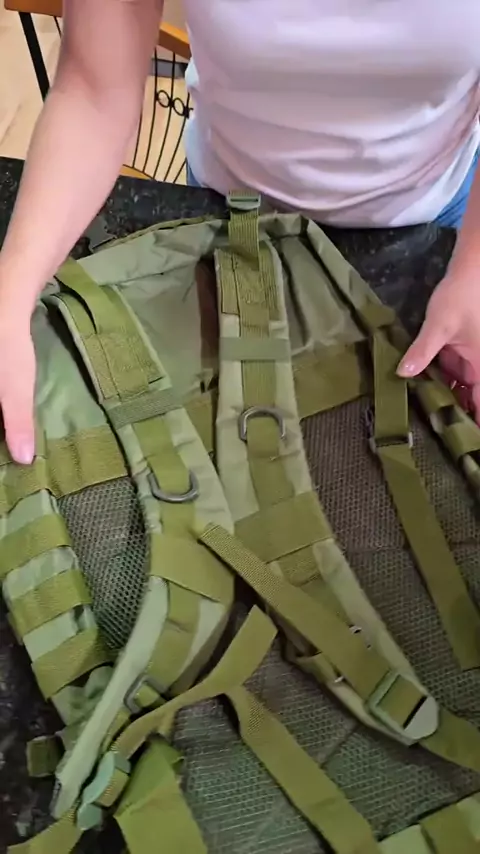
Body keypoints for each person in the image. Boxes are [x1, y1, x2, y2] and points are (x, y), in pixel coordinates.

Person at [0, 0, 479, 465]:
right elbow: (93, 92)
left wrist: (473, 274)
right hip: (231, 208)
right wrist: (12, 291)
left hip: (425, 213)